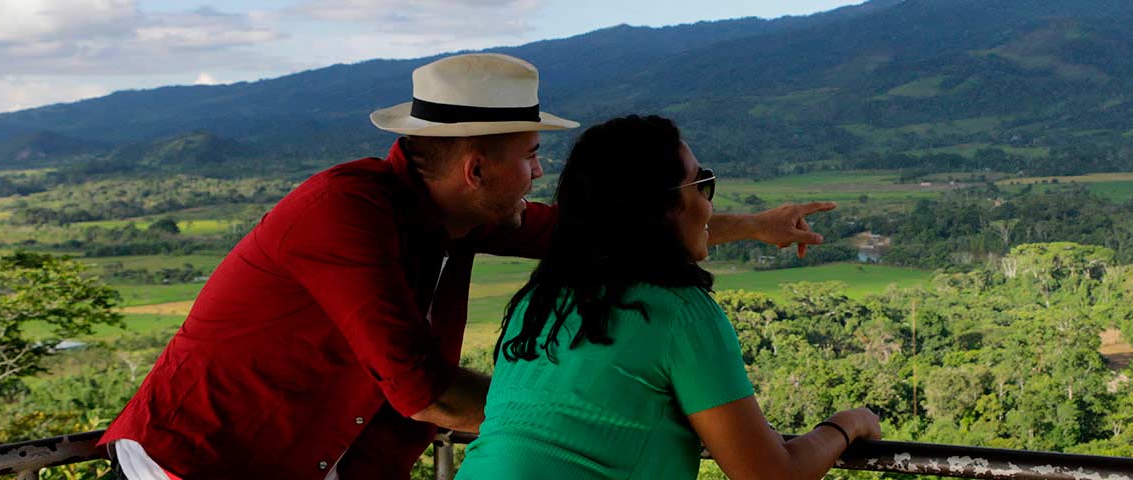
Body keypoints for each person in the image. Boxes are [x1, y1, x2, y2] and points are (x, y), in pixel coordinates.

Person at [98, 54, 838, 479]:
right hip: (202, 460)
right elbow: (420, 390)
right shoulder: (343, 215)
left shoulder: (458, 216)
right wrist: (602, 416)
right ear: (478, 168)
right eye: (530, 157)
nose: (538, 175)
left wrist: (750, 227)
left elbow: (605, 228)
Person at [452, 115, 881, 480]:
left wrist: (756, 224)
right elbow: (771, 473)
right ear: (659, 211)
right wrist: (850, 423)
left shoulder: (540, 302)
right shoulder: (678, 313)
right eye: (701, 186)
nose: (709, 205)